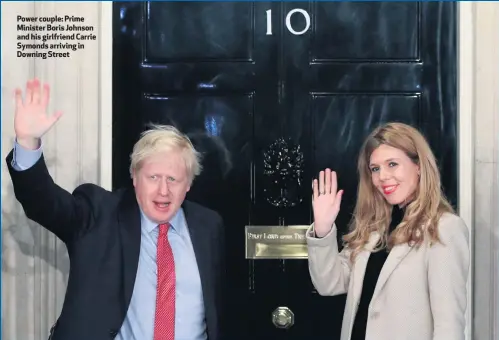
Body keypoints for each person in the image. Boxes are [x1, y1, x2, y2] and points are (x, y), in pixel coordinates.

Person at [6, 78, 226, 340]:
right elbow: (44, 203)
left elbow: (219, 309)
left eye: (173, 180)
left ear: (188, 184)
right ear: (134, 177)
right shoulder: (99, 214)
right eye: (153, 177)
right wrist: (27, 142)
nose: (163, 191)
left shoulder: (209, 226)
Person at [306, 122, 469, 340]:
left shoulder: (444, 228)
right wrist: (323, 229)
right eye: (375, 169)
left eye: (392, 164)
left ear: (419, 165)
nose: (382, 176)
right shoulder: (375, 228)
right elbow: (329, 283)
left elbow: (449, 326)